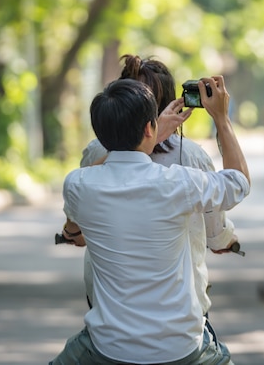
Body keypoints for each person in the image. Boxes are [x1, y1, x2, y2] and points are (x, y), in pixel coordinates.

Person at [50, 76, 250, 364]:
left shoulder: (78, 185)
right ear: (149, 127)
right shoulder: (177, 183)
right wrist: (220, 117)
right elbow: (239, 182)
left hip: (108, 347)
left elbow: (73, 225)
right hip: (181, 348)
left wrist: (145, 137)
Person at [75, 55, 239, 322]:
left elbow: (79, 220)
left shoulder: (95, 154)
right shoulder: (191, 158)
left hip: (108, 311)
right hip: (180, 316)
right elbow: (217, 225)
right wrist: (221, 118)